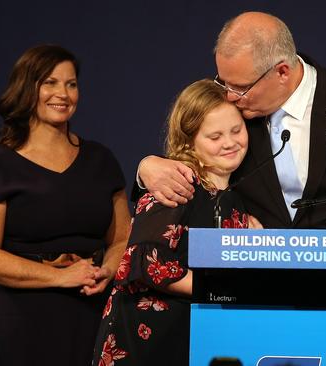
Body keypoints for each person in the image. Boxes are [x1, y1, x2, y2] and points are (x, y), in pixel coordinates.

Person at [137, 12, 326, 242]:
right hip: (256, 290)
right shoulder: (231, 112)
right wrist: (146, 167)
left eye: (241, 87)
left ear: (282, 72)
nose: (229, 96)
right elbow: (194, 163)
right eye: (224, 82)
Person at [0, 45, 131, 366]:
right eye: (50, 83)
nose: (63, 94)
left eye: (71, 84)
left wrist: (107, 270)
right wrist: (59, 277)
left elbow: (122, 237)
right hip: (22, 319)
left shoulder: (101, 160)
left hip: (92, 314)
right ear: (28, 88)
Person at [92, 79, 260, 366]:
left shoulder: (233, 199)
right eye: (215, 136)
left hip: (194, 337)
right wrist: (222, 289)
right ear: (189, 140)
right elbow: (147, 264)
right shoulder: (175, 185)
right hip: (147, 343)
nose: (230, 143)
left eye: (236, 130)